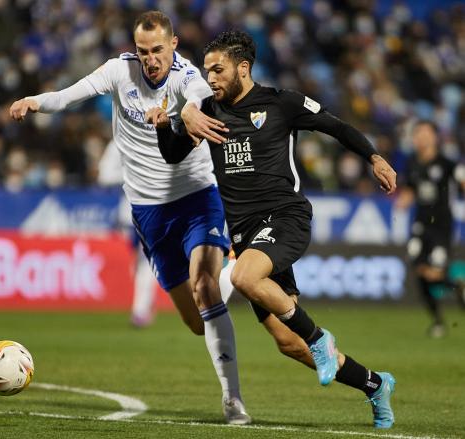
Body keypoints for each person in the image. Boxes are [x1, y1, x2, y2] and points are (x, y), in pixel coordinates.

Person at [10, 11, 250, 424]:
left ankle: (232, 401)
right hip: (148, 212)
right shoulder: (119, 71)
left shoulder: (186, 76)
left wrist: (191, 111)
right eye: (143, 51)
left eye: (158, 50)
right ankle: (236, 273)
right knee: (196, 321)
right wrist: (36, 102)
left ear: (173, 45)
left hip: (196, 198)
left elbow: (196, 97)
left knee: (205, 286)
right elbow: (71, 94)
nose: (150, 59)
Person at [149, 30, 397, 428]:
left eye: (218, 69)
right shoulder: (207, 110)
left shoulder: (282, 102)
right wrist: (164, 125)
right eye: (207, 69)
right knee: (288, 342)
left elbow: (337, 127)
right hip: (247, 234)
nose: (210, 77)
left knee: (246, 277)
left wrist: (375, 157)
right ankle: (375, 385)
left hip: (285, 218)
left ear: (243, 68)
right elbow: (173, 153)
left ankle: (321, 340)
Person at [395, 120, 465, 338]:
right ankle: (439, 320)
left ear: (435, 137)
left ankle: (457, 289)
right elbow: (409, 191)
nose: (421, 138)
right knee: (420, 272)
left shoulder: (447, 163)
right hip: (420, 225)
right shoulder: (412, 163)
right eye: (417, 134)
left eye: (425, 133)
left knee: (434, 273)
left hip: (441, 227)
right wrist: (402, 201)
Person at [97, 139, 158, 328]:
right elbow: (104, 176)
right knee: (141, 263)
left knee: (147, 261)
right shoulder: (118, 143)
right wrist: (135, 172)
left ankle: (141, 310)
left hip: (158, 207)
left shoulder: (156, 135)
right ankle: (142, 307)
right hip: (132, 211)